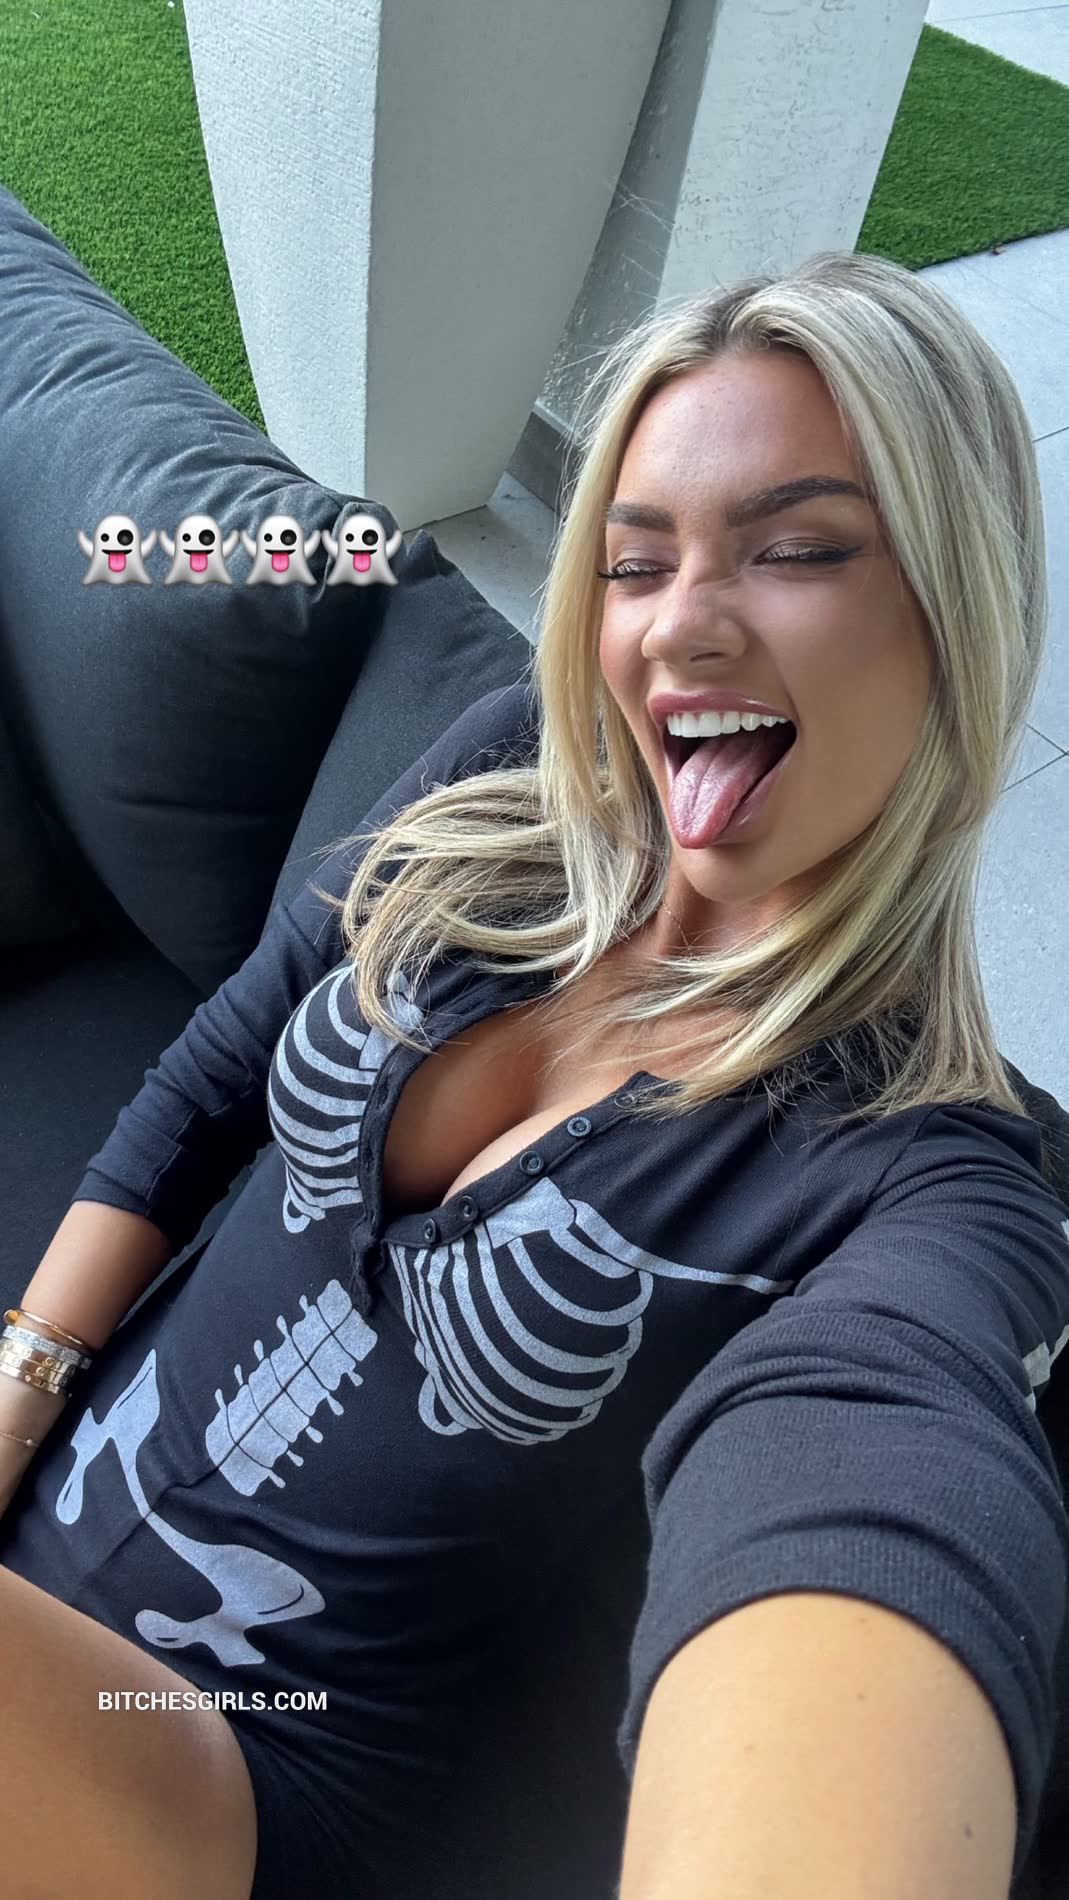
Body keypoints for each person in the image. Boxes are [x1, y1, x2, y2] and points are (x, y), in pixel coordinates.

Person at [1, 247, 1068, 1900]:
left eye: (797, 550)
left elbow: (880, 1469)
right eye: (635, 563)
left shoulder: (929, 1177)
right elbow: (216, 1076)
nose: (681, 625)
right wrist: (24, 1379)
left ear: (956, 609)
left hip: (241, 1783)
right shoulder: (503, 783)